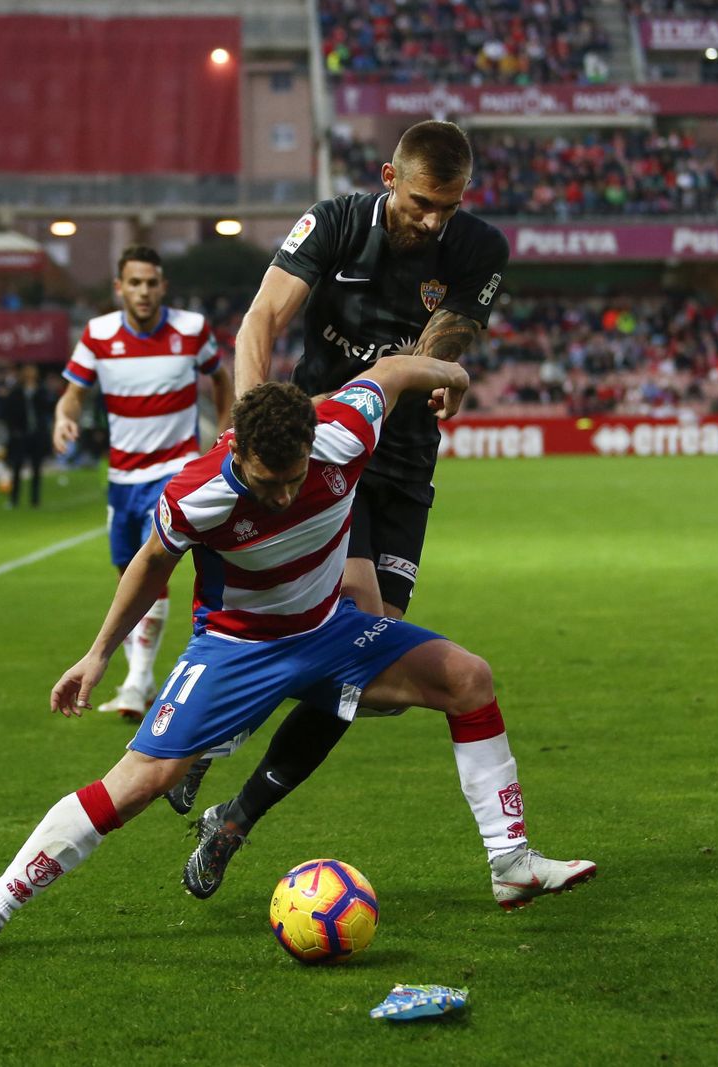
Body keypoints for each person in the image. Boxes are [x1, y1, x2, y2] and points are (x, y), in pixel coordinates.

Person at [0, 359, 595, 964]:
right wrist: (98, 654)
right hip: (236, 649)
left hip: (331, 629)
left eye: (293, 478)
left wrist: (450, 371)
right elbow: (150, 566)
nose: (280, 496)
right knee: (138, 782)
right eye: (268, 483)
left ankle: (510, 862)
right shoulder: (197, 492)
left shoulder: (342, 431)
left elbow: (389, 373)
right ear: (237, 449)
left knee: (468, 677)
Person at [173, 119, 510, 895]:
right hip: (324, 447)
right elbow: (261, 319)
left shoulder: (477, 249)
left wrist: (438, 372)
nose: (435, 221)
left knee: (361, 677)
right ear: (389, 177)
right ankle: (216, 730)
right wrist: (256, 428)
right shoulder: (333, 224)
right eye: (424, 203)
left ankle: (235, 811)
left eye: (450, 207)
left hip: (405, 463)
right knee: (350, 626)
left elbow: (432, 350)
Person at [53, 245, 234, 718]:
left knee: (154, 569)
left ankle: (134, 683)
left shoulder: (192, 331)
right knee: (126, 576)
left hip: (173, 473)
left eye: (151, 283)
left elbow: (221, 380)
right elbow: (73, 395)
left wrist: (223, 431)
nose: (144, 291)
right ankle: (144, 677)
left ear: (163, 286)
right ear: (120, 288)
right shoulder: (98, 335)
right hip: (121, 478)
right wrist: (63, 417)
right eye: (135, 283)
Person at [0, 363, 58, 509]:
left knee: (36, 468)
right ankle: (14, 499)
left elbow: (49, 408)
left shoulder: (41, 391)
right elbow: (8, 413)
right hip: (20, 435)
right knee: (17, 468)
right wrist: (14, 431)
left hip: (37, 434)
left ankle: (35, 500)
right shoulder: (16, 392)